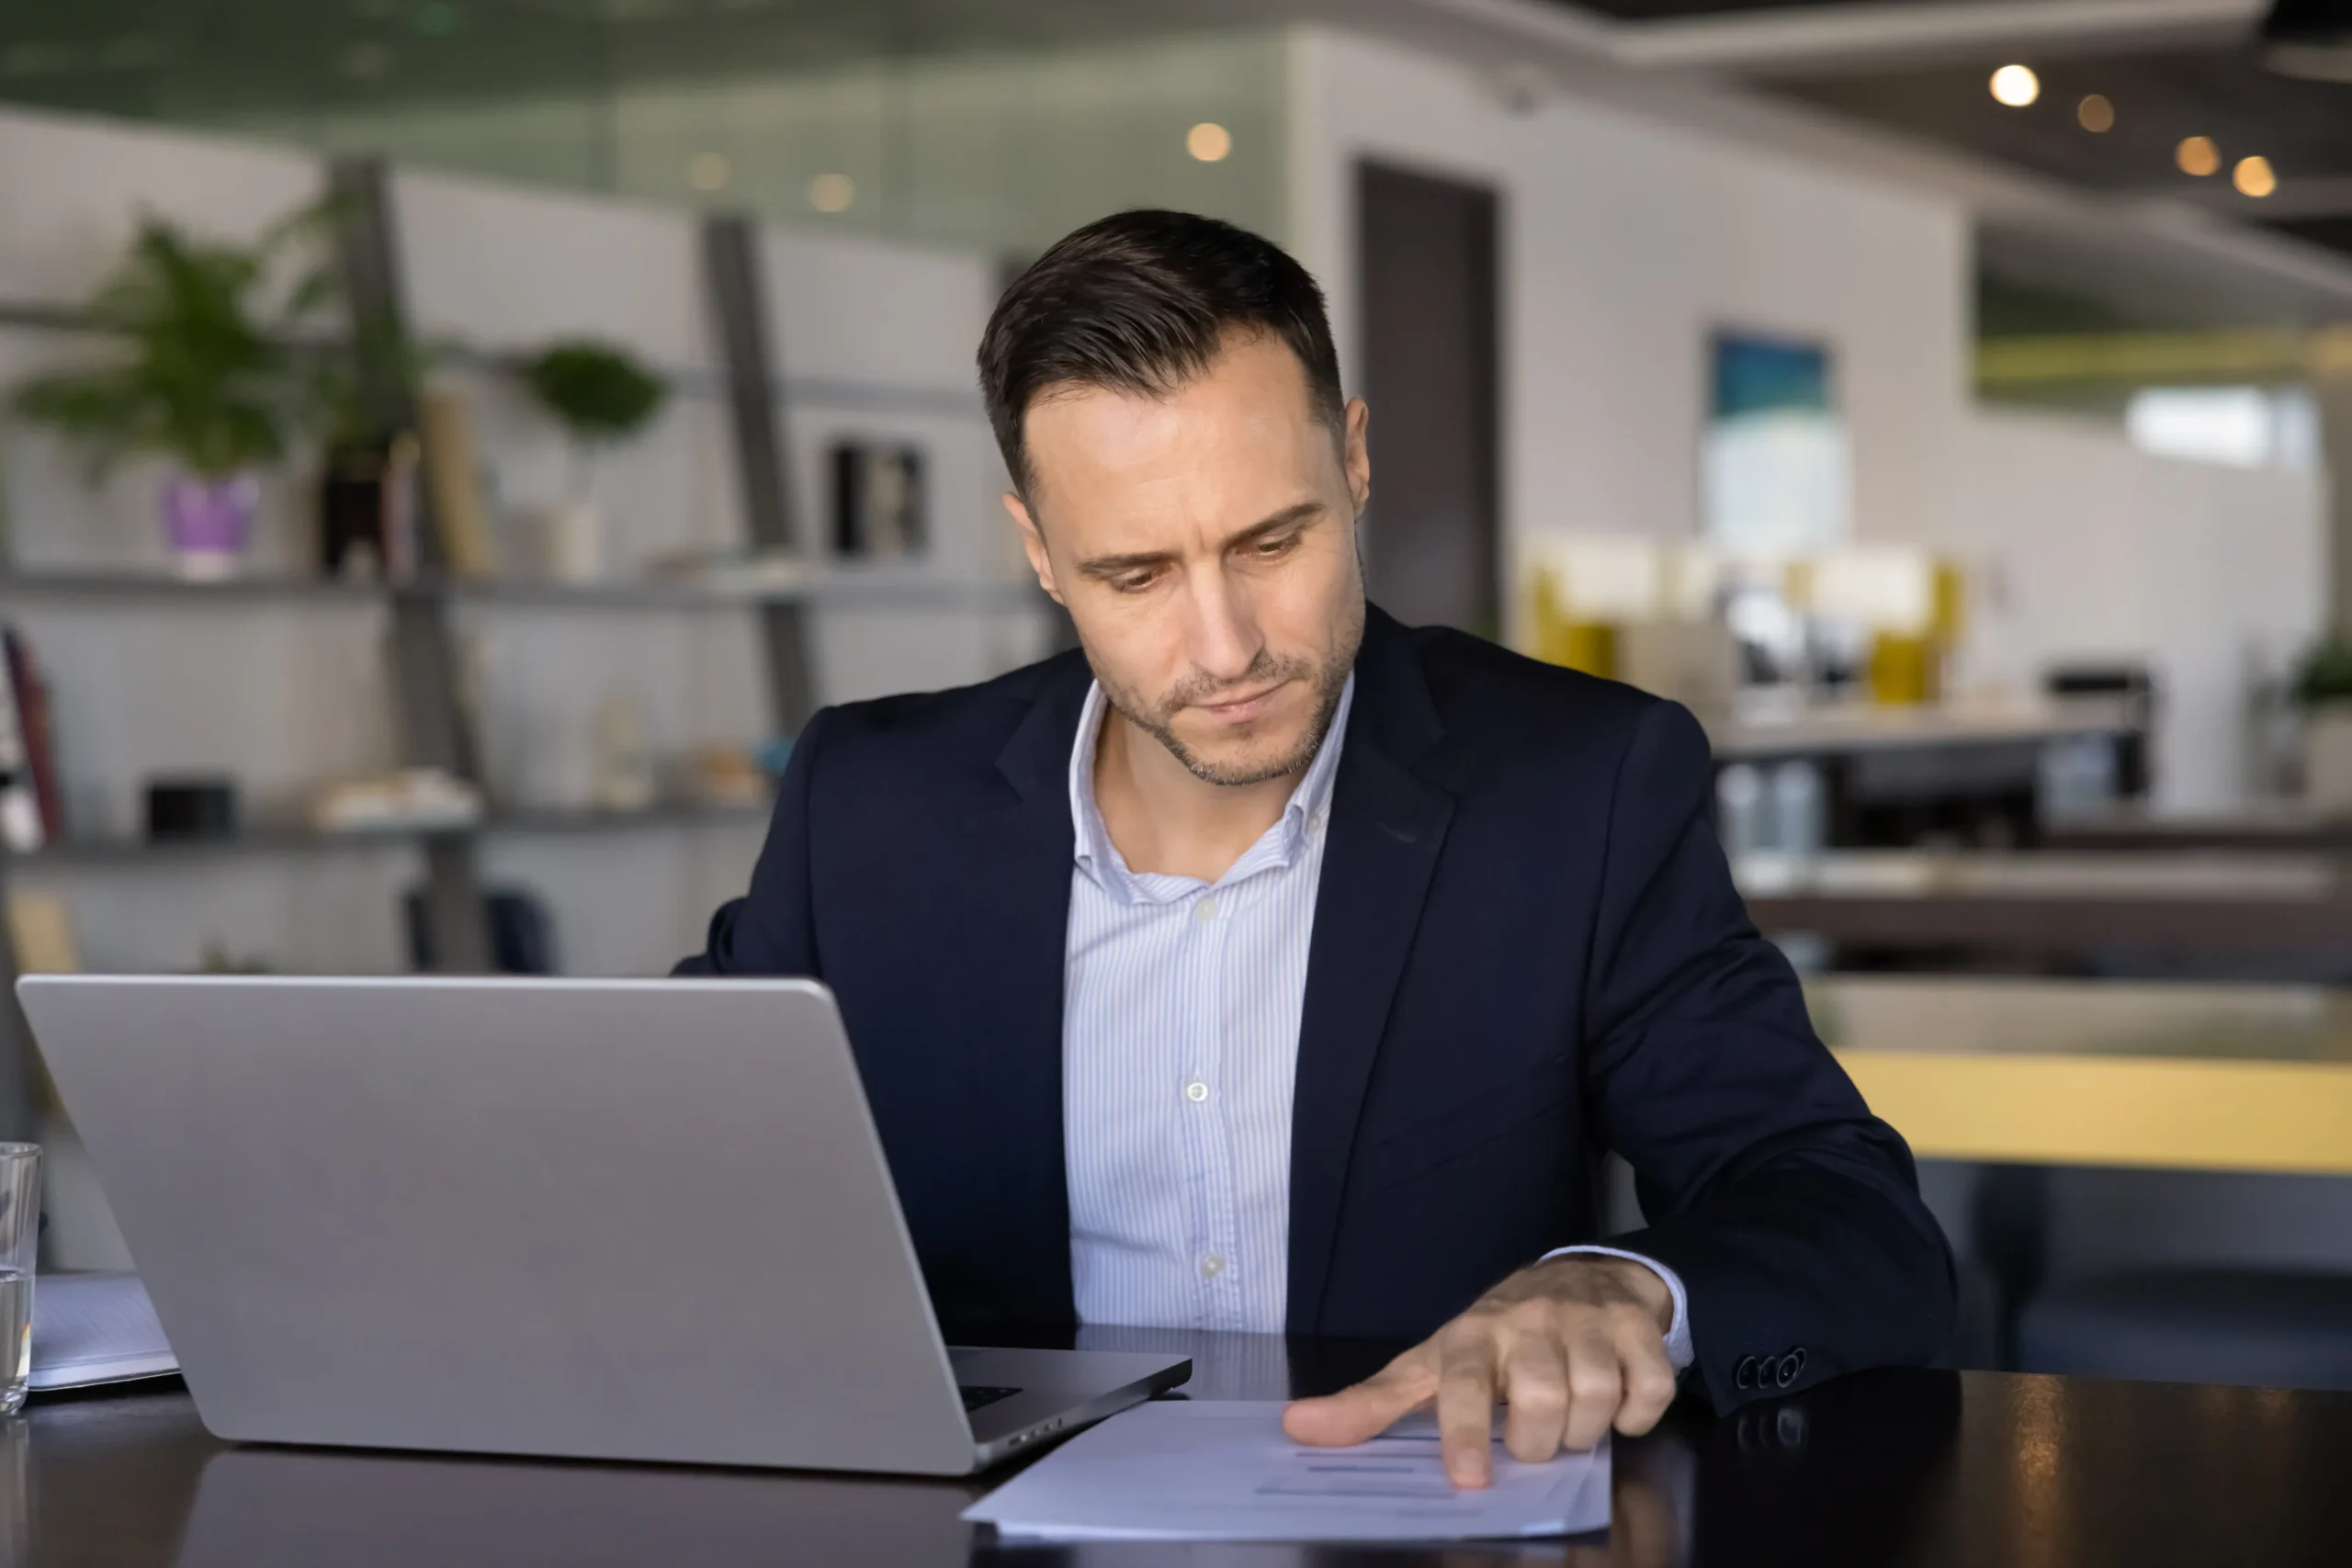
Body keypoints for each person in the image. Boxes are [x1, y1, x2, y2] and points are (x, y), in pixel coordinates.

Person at [679, 209, 1953, 1488]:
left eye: (1270, 542)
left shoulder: (1580, 789)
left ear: (1352, 461)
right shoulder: (870, 810)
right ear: (1040, 553)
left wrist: (1620, 1284)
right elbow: (658, 1163)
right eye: (1137, 575)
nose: (1227, 645)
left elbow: (1844, 1211)